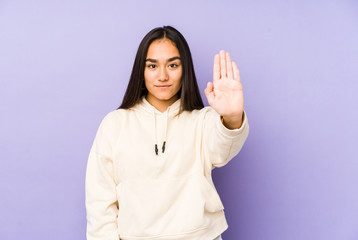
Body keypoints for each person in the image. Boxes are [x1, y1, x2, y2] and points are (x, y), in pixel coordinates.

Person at [85, 26, 249, 240]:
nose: (162, 75)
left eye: (173, 65)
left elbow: (223, 150)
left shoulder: (204, 120)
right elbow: (99, 204)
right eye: (152, 66)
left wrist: (232, 117)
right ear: (141, 71)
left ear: (185, 69)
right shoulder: (115, 124)